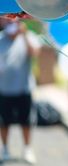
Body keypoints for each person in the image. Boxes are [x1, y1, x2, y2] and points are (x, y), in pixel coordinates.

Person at [0, 18, 41, 163]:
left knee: (26, 121)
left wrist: (24, 34)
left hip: (24, 89)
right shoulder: (0, 39)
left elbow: (35, 52)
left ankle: (27, 148)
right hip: (4, 90)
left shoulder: (28, 37)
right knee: (4, 122)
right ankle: (4, 149)